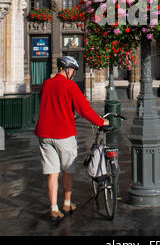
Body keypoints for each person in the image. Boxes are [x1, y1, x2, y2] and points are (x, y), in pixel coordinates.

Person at [34, 56, 109, 221]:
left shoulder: (46, 84)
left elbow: (46, 101)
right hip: (64, 134)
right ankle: (67, 203)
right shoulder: (70, 86)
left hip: (44, 134)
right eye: (73, 71)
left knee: (52, 173)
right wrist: (100, 121)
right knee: (68, 170)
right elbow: (84, 110)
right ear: (67, 69)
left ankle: (54, 208)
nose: (74, 74)